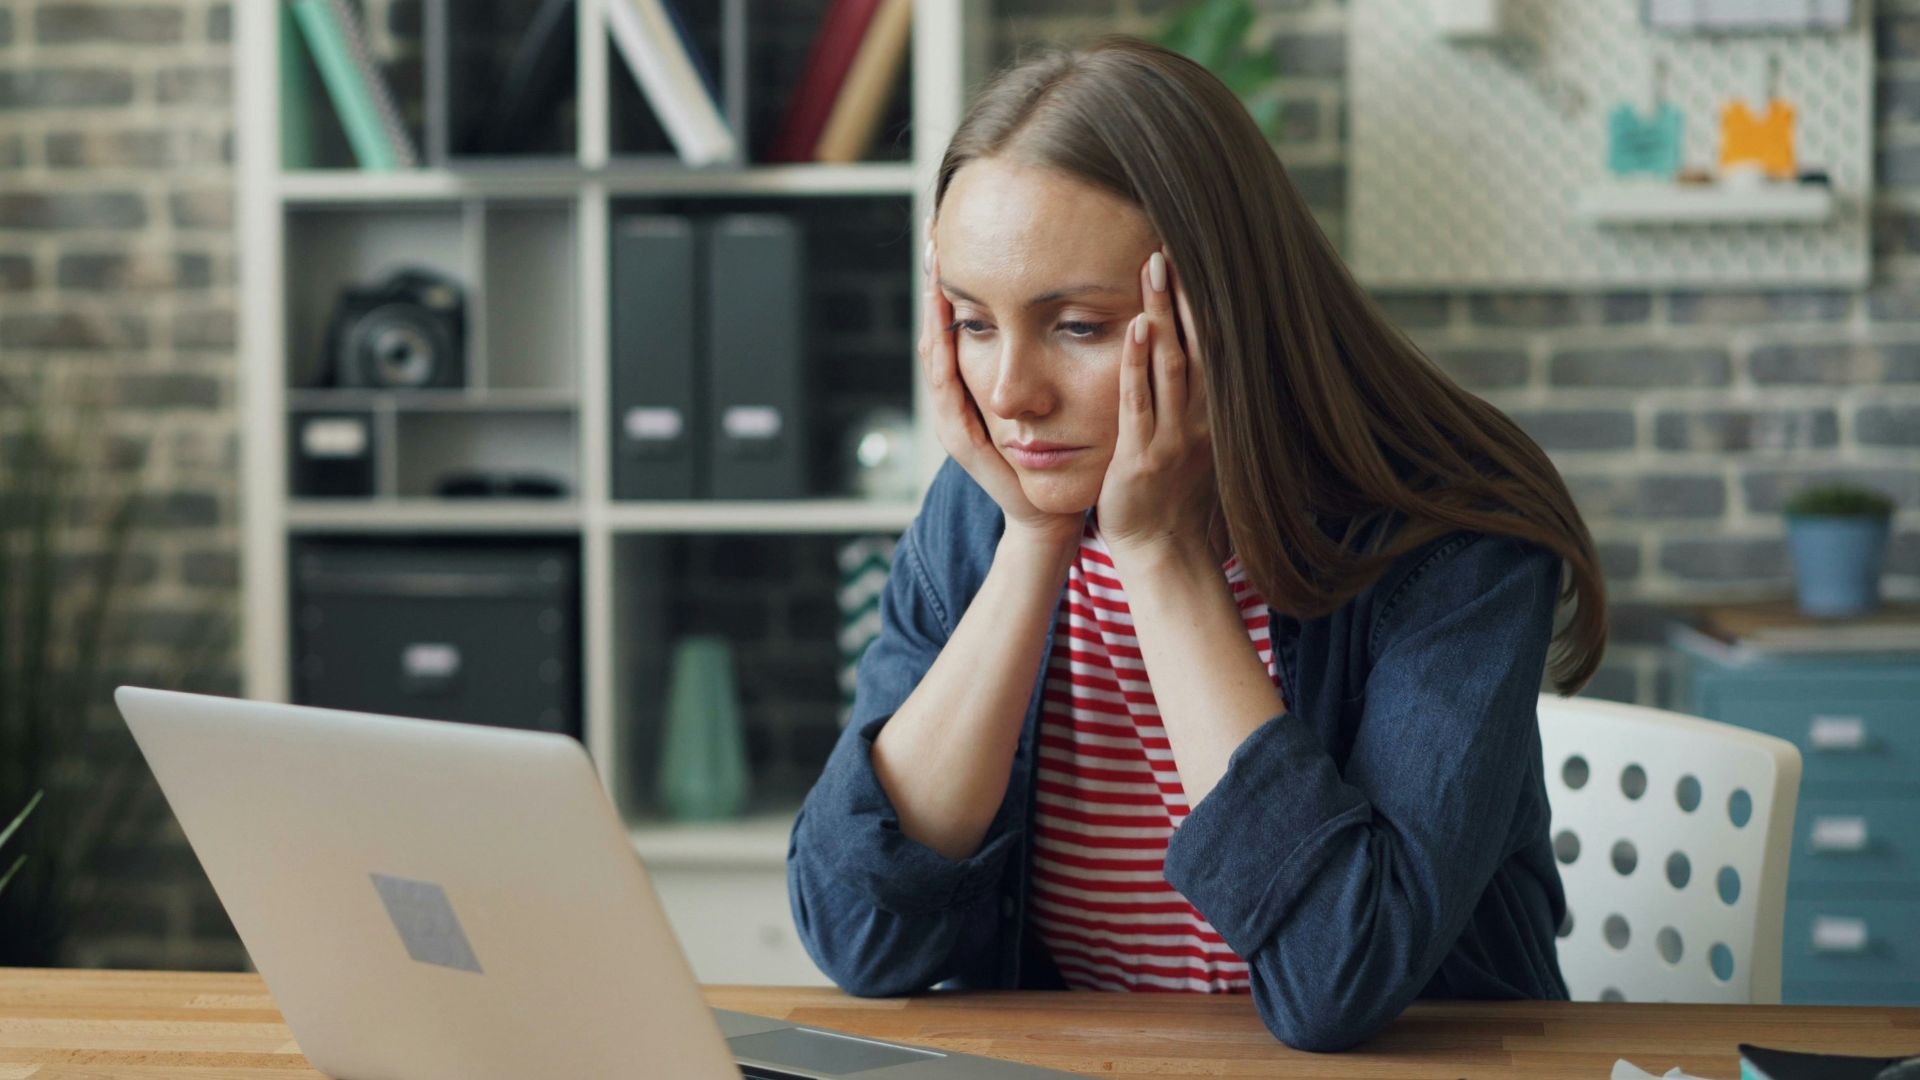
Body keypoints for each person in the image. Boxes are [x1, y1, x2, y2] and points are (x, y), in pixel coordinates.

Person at [786, 34, 1606, 1053]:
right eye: (972, 322)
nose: (1010, 396)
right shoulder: (990, 508)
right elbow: (858, 934)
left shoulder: (1450, 541)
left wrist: (1163, 554)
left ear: (1225, 310)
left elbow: (1336, 979)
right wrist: (1034, 541)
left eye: (1077, 326)